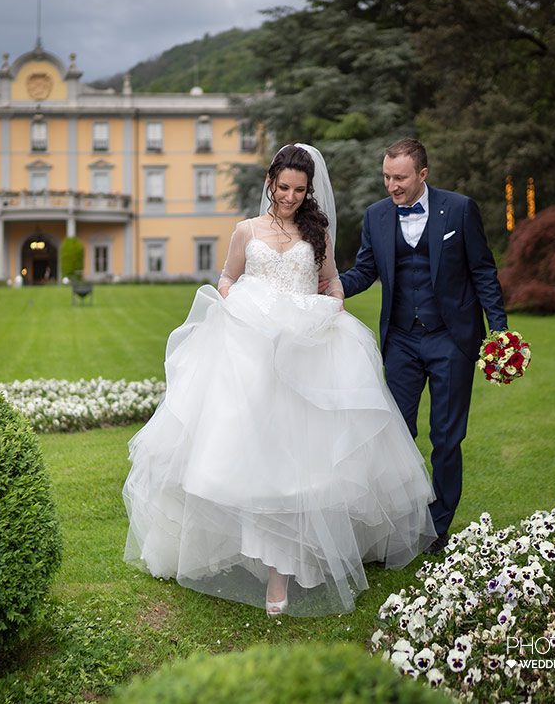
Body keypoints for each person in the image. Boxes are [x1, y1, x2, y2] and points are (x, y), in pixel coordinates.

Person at [123, 144, 436, 617]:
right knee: (249, 460)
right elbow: (226, 279)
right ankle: (251, 552)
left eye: (299, 190)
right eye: (283, 187)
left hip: (308, 352)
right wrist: (240, 307)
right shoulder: (246, 230)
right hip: (250, 352)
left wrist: (332, 306)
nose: (290, 197)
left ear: (310, 191)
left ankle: (284, 571)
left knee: (303, 466)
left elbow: (333, 282)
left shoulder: (317, 232)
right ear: (270, 182)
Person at [338, 138, 508, 555]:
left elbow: (483, 271)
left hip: (451, 338)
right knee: (396, 433)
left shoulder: (460, 209)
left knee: (446, 438)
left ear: (423, 175)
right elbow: (364, 271)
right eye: (386, 177)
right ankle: (396, 523)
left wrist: (500, 332)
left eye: (400, 178)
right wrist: (326, 286)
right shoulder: (376, 215)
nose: (391, 186)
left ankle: (437, 527)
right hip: (401, 340)